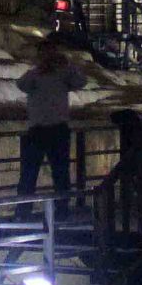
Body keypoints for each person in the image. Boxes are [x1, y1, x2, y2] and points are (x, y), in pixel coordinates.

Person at [16, 45, 89, 201]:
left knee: (51, 172)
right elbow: (22, 84)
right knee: (40, 172)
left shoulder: (61, 74)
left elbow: (81, 81)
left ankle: (28, 209)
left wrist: (67, 67)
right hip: (45, 129)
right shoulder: (37, 75)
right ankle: (29, 208)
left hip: (49, 129)